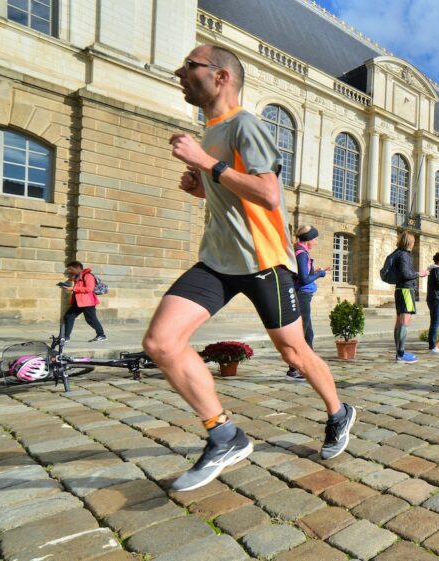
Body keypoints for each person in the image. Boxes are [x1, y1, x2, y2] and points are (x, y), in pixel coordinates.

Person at [146, 44, 354, 492]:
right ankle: (224, 434)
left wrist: (207, 165)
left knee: (295, 353)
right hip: (218, 260)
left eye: (190, 66)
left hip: (263, 262)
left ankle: (339, 413)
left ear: (221, 77)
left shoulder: (246, 125)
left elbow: (268, 194)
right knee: (161, 343)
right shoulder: (211, 131)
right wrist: (201, 187)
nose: (180, 71)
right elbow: (233, 194)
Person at [287, 225, 330, 380]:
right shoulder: (301, 254)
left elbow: (303, 275)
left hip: (303, 295)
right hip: (302, 296)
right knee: (301, 334)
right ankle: (294, 370)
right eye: (316, 238)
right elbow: (304, 280)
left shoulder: (301, 251)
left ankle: (308, 367)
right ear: (309, 240)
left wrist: (315, 271)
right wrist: (319, 274)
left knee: (308, 334)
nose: (317, 241)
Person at [391, 231, 429, 364]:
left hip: (401, 289)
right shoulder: (404, 255)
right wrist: (420, 274)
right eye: (413, 241)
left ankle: (399, 352)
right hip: (406, 290)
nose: (414, 244)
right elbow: (406, 274)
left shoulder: (399, 253)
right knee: (404, 321)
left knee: (400, 321)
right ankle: (400, 354)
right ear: (409, 243)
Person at [61, 261, 107, 343]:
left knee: (91, 320)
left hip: (87, 302)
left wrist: (73, 288)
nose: (70, 271)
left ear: (78, 268)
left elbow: (89, 289)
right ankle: (66, 337)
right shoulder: (78, 276)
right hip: (78, 302)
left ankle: (101, 335)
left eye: (71, 269)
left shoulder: (88, 276)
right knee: (68, 317)